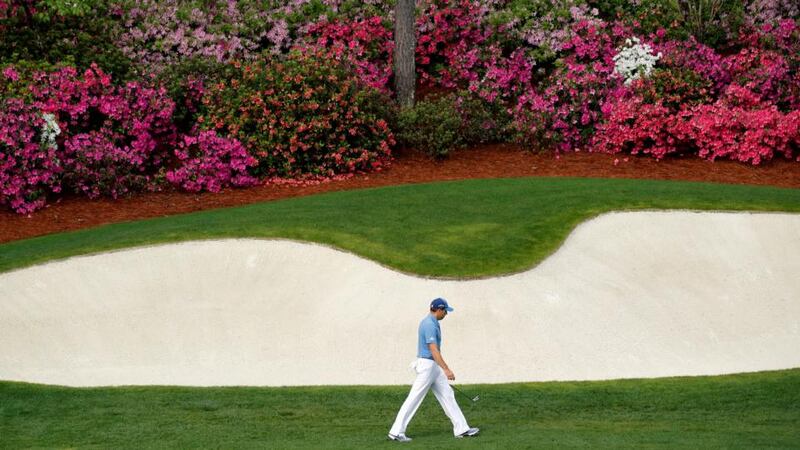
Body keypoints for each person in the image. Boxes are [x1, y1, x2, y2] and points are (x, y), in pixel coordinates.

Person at [387, 297, 480, 442]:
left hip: (433, 367)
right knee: (414, 398)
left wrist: (441, 368)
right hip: (428, 366)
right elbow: (433, 349)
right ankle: (396, 432)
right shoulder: (429, 324)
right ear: (439, 309)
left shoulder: (432, 322)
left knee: (447, 395)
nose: (446, 314)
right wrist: (447, 369)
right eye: (445, 311)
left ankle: (462, 429)